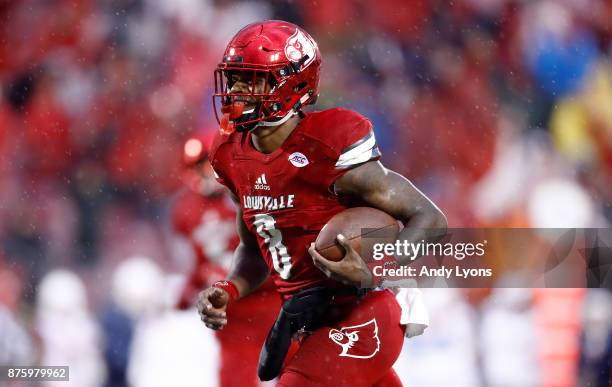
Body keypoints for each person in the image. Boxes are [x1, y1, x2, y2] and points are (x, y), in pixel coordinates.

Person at [197, 20, 446, 387]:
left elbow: (430, 219)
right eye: (234, 78)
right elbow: (254, 249)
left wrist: (375, 268)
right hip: (309, 321)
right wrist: (229, 289)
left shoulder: (327, 145)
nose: (236, 90)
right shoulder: (229, 155)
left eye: (251, 79)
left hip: (364, 307)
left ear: (292, 83)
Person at [173, 134, 280, 387]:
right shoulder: (185, 210)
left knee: (304, 373)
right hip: (233, 313)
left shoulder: (256, 191)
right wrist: (191, 288)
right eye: (198, 168)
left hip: (272, 300)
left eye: (208, 166)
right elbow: (198, 263)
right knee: (235, 378)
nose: (205, 174)